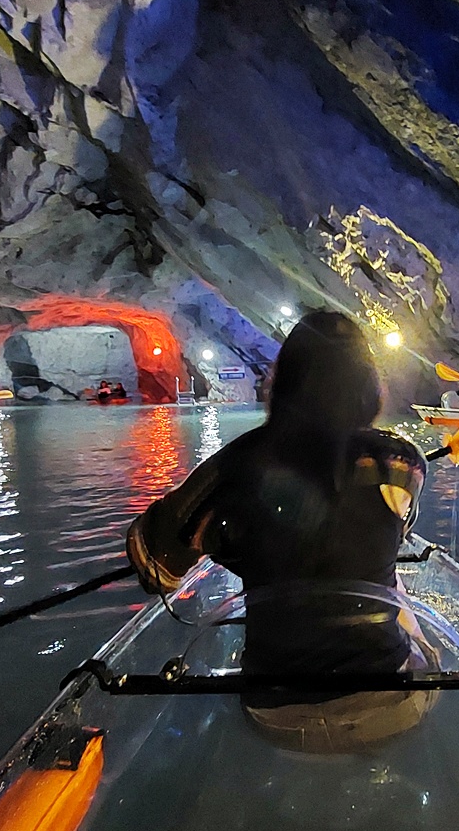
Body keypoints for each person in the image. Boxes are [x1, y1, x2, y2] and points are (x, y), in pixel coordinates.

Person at [126, 312, 435, 753]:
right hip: (387, 708)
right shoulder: (402, 463)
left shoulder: (234, 466)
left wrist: (223, 544)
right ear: (369, 385)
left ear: (283, 383)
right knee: (405, 608)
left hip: (275, 715)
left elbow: (155, 565)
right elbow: (395, 532)